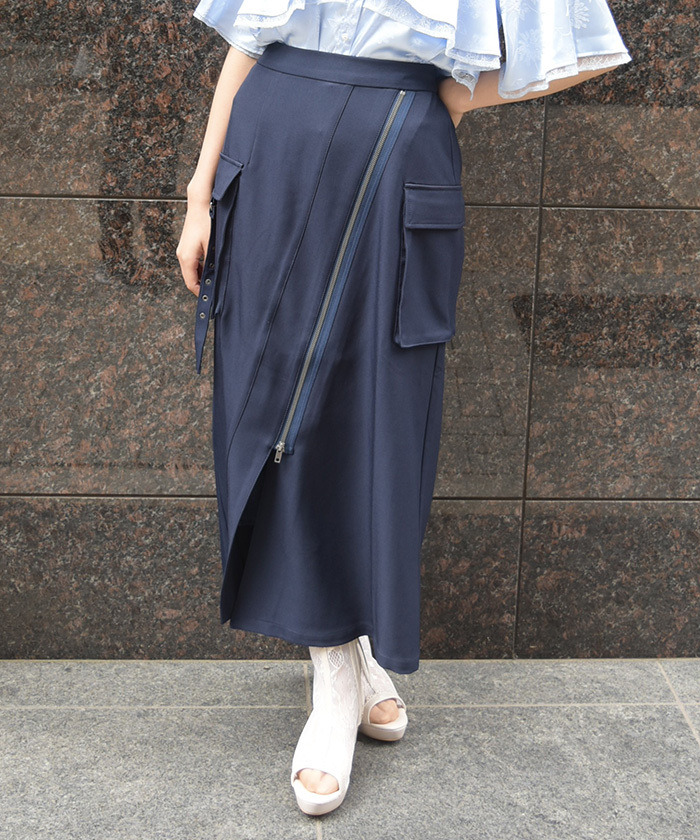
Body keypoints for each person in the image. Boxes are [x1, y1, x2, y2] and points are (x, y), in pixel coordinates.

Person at [177, 0, 632, 817]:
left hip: (395, 158)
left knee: (374, 416)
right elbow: (250, 37)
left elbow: (587, 45)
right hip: (267, 149)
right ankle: (338, 664)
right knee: (270, 408)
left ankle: (341, 669)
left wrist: (451, 94)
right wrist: (199, 190)